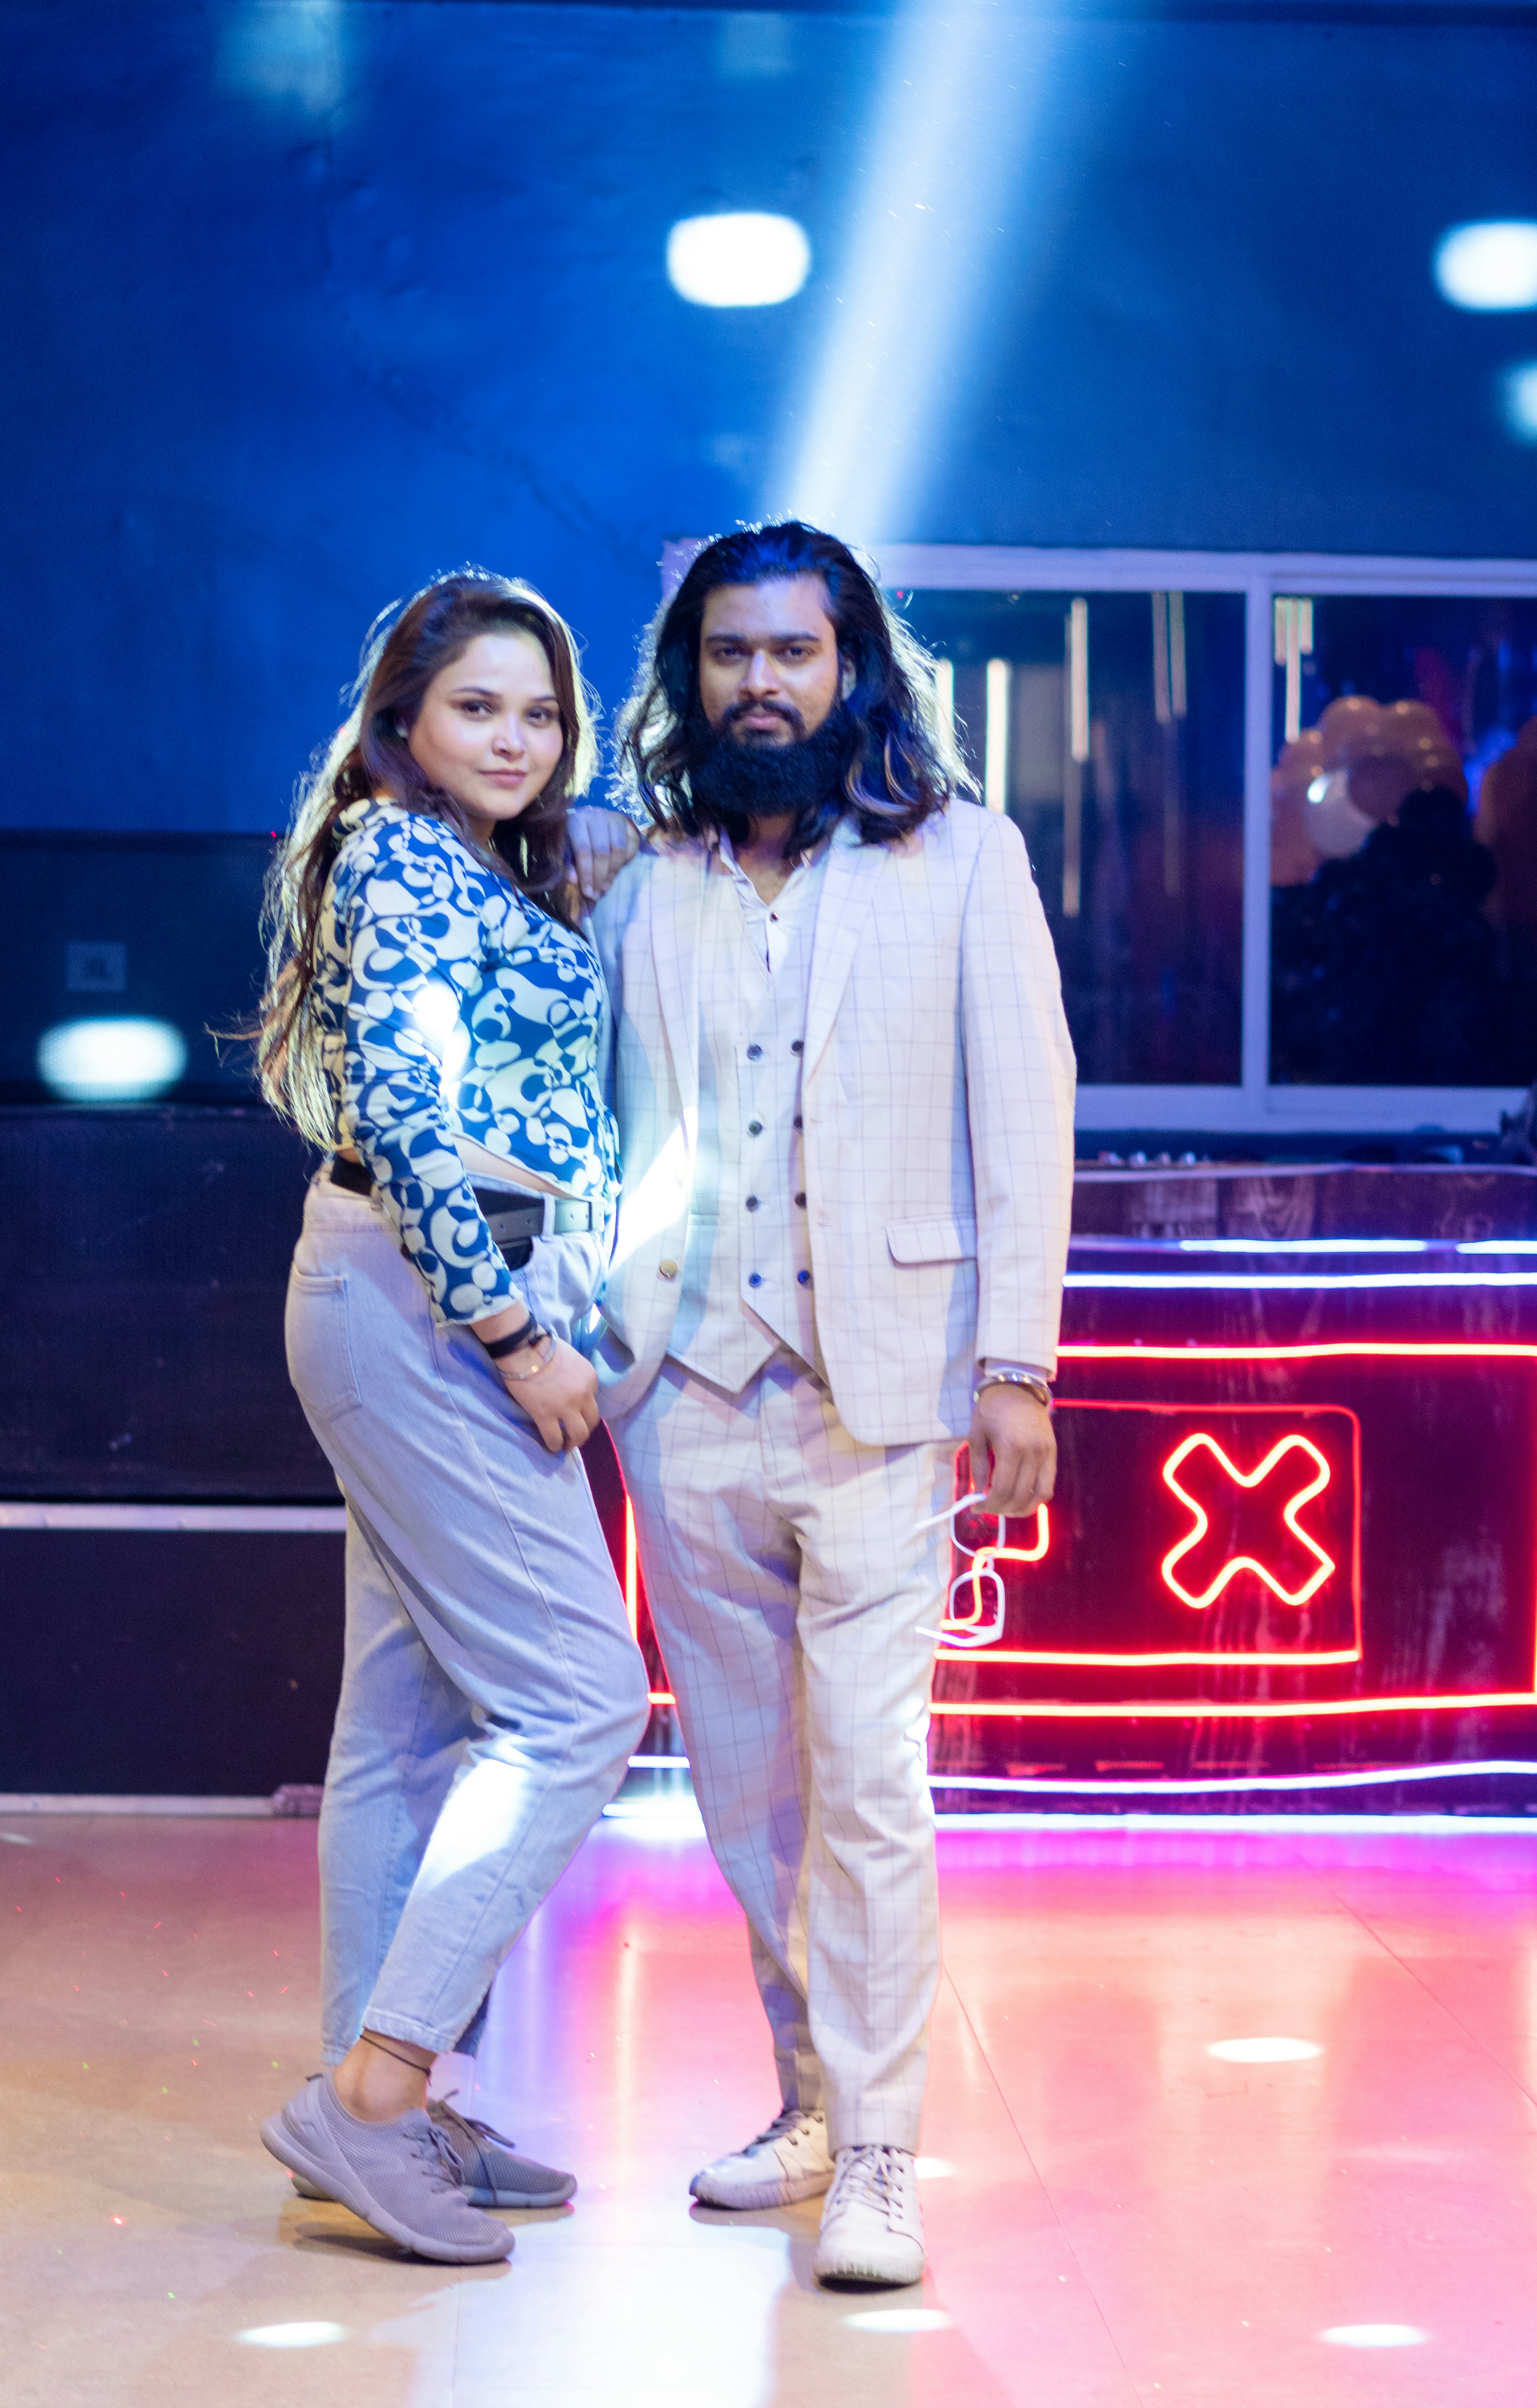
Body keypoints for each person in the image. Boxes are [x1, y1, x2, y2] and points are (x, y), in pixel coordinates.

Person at [589, 521, 1075, 2289]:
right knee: (747, 1796)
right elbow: (617, 1140)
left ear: (851, 666)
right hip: (688, 1390)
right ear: (693, 677)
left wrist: (1014, 1364)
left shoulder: (963, 860)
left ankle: (881, 2151)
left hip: (883, 1392)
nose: (760, 683)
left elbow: (1024, 1119)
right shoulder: (650, 877)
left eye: (791, 652)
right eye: (729, 655)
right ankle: (806, 2096)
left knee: (869, 1783)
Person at [256, 572, 649, 2265]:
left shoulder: (490, 857)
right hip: (434, 1306)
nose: (511, 737)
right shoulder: (400, 854)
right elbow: (412, 1115)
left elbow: (642, 819)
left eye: (538, 712)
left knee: (405, 1734)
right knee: (577, 1702)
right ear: (403, 719)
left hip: (402, 1299)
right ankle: (372, 2089)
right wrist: (512, 1334)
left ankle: (383, 2112)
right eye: (475, 706)